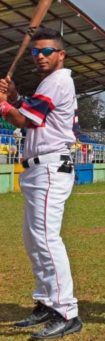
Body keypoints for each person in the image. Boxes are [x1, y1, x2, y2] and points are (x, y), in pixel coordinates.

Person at [0, 27, 82, 338]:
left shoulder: (58, 79)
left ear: (61, 54)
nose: (40, 56)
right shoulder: (49, 82)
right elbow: (32, 113)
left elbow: (23, 120)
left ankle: (66, 311)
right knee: (34, 240)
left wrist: (4, 105)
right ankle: (47, 301)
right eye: (36, 51)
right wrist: (16, 97)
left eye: (47, 51)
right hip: (39, 168)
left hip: (50, 167)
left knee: (46, 240)